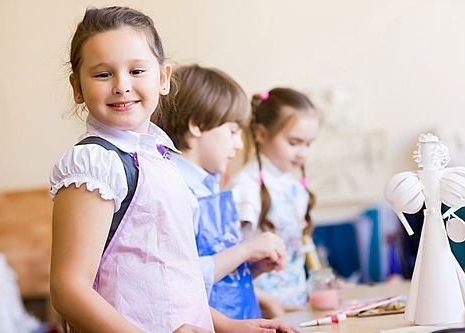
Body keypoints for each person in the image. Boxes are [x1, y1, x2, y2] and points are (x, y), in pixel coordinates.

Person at [49, 6, 300, 333]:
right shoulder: (96, 163)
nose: (122, 85)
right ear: (77, 87)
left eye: (137, 71)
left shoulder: (159, 158)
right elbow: (69, 289)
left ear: (163, 78)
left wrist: (229, 326)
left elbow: (174, 279)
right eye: (103, 74)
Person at [153, 64, 288, 320]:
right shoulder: (176, 190)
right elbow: (180, 281)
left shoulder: (209, 184)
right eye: (233, 132)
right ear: (198, 125)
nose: (239, 144)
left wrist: (251, 268)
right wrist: (245, 251)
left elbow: (214, 272)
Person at [230, 88, 321, 318]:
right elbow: (230, 258)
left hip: (296, 306)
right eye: (294, 142)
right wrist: (265, 302)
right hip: (260, 310)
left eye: (308, 144)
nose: (303, 153)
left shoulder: (294, 188)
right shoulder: (245, 188)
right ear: (261, 134)